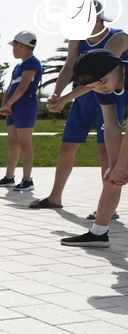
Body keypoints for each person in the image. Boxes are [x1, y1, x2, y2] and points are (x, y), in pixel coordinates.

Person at [31, 0, 128, 217]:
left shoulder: (119, 37)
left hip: (109, 93)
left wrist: (65, 98)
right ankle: (55, 197)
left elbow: (102, 76)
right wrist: (57, 93)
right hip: (84, 95)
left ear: (97, 18)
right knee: (67, 146)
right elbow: (69, 66)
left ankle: (107, 209)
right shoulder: (78, 36)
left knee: (106, 150)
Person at [60, 49, 127, 247]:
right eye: (94, 87)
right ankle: (98, 233)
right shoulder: (103, 89)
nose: (101, 89)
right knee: (112, 176)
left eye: (103, 82)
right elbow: (112, 127)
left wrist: (122, 166)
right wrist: (114, 166)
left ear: (117, 67)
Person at [0, 31, 43, 191]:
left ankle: (27, 180)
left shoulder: (32, 63)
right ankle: (9, 177)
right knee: (13, 142)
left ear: (20, 45)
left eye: (14, 46)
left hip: (26, 106)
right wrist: (5, 105)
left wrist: (10, 104)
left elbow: (23, 87)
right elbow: (11, 86)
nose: (13, 49)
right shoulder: (18, 66)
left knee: (25, 143)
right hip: (13, 107)